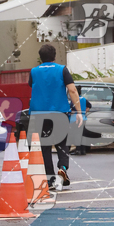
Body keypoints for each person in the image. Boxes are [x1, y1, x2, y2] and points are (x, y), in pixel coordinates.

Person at [28, 44, 83, 191]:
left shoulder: (33, 71)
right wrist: (79, 112)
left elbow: (32, 87)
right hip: (60, 113)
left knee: (44, 147)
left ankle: (51, 179)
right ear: (54, 56)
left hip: (39, 114)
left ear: (41, 57)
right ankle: (63, 168)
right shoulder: (62, 70)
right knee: (62, 143)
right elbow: (72, 89)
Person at [69, 85, 92, 156]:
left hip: (75, 119)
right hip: (83, 119)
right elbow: (89, 106)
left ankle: (78, 149)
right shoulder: (84, 99)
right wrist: (85, 111)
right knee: (82, 134)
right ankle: (83, 150)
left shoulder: (74, 100)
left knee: (76, 135)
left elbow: (71, 109)